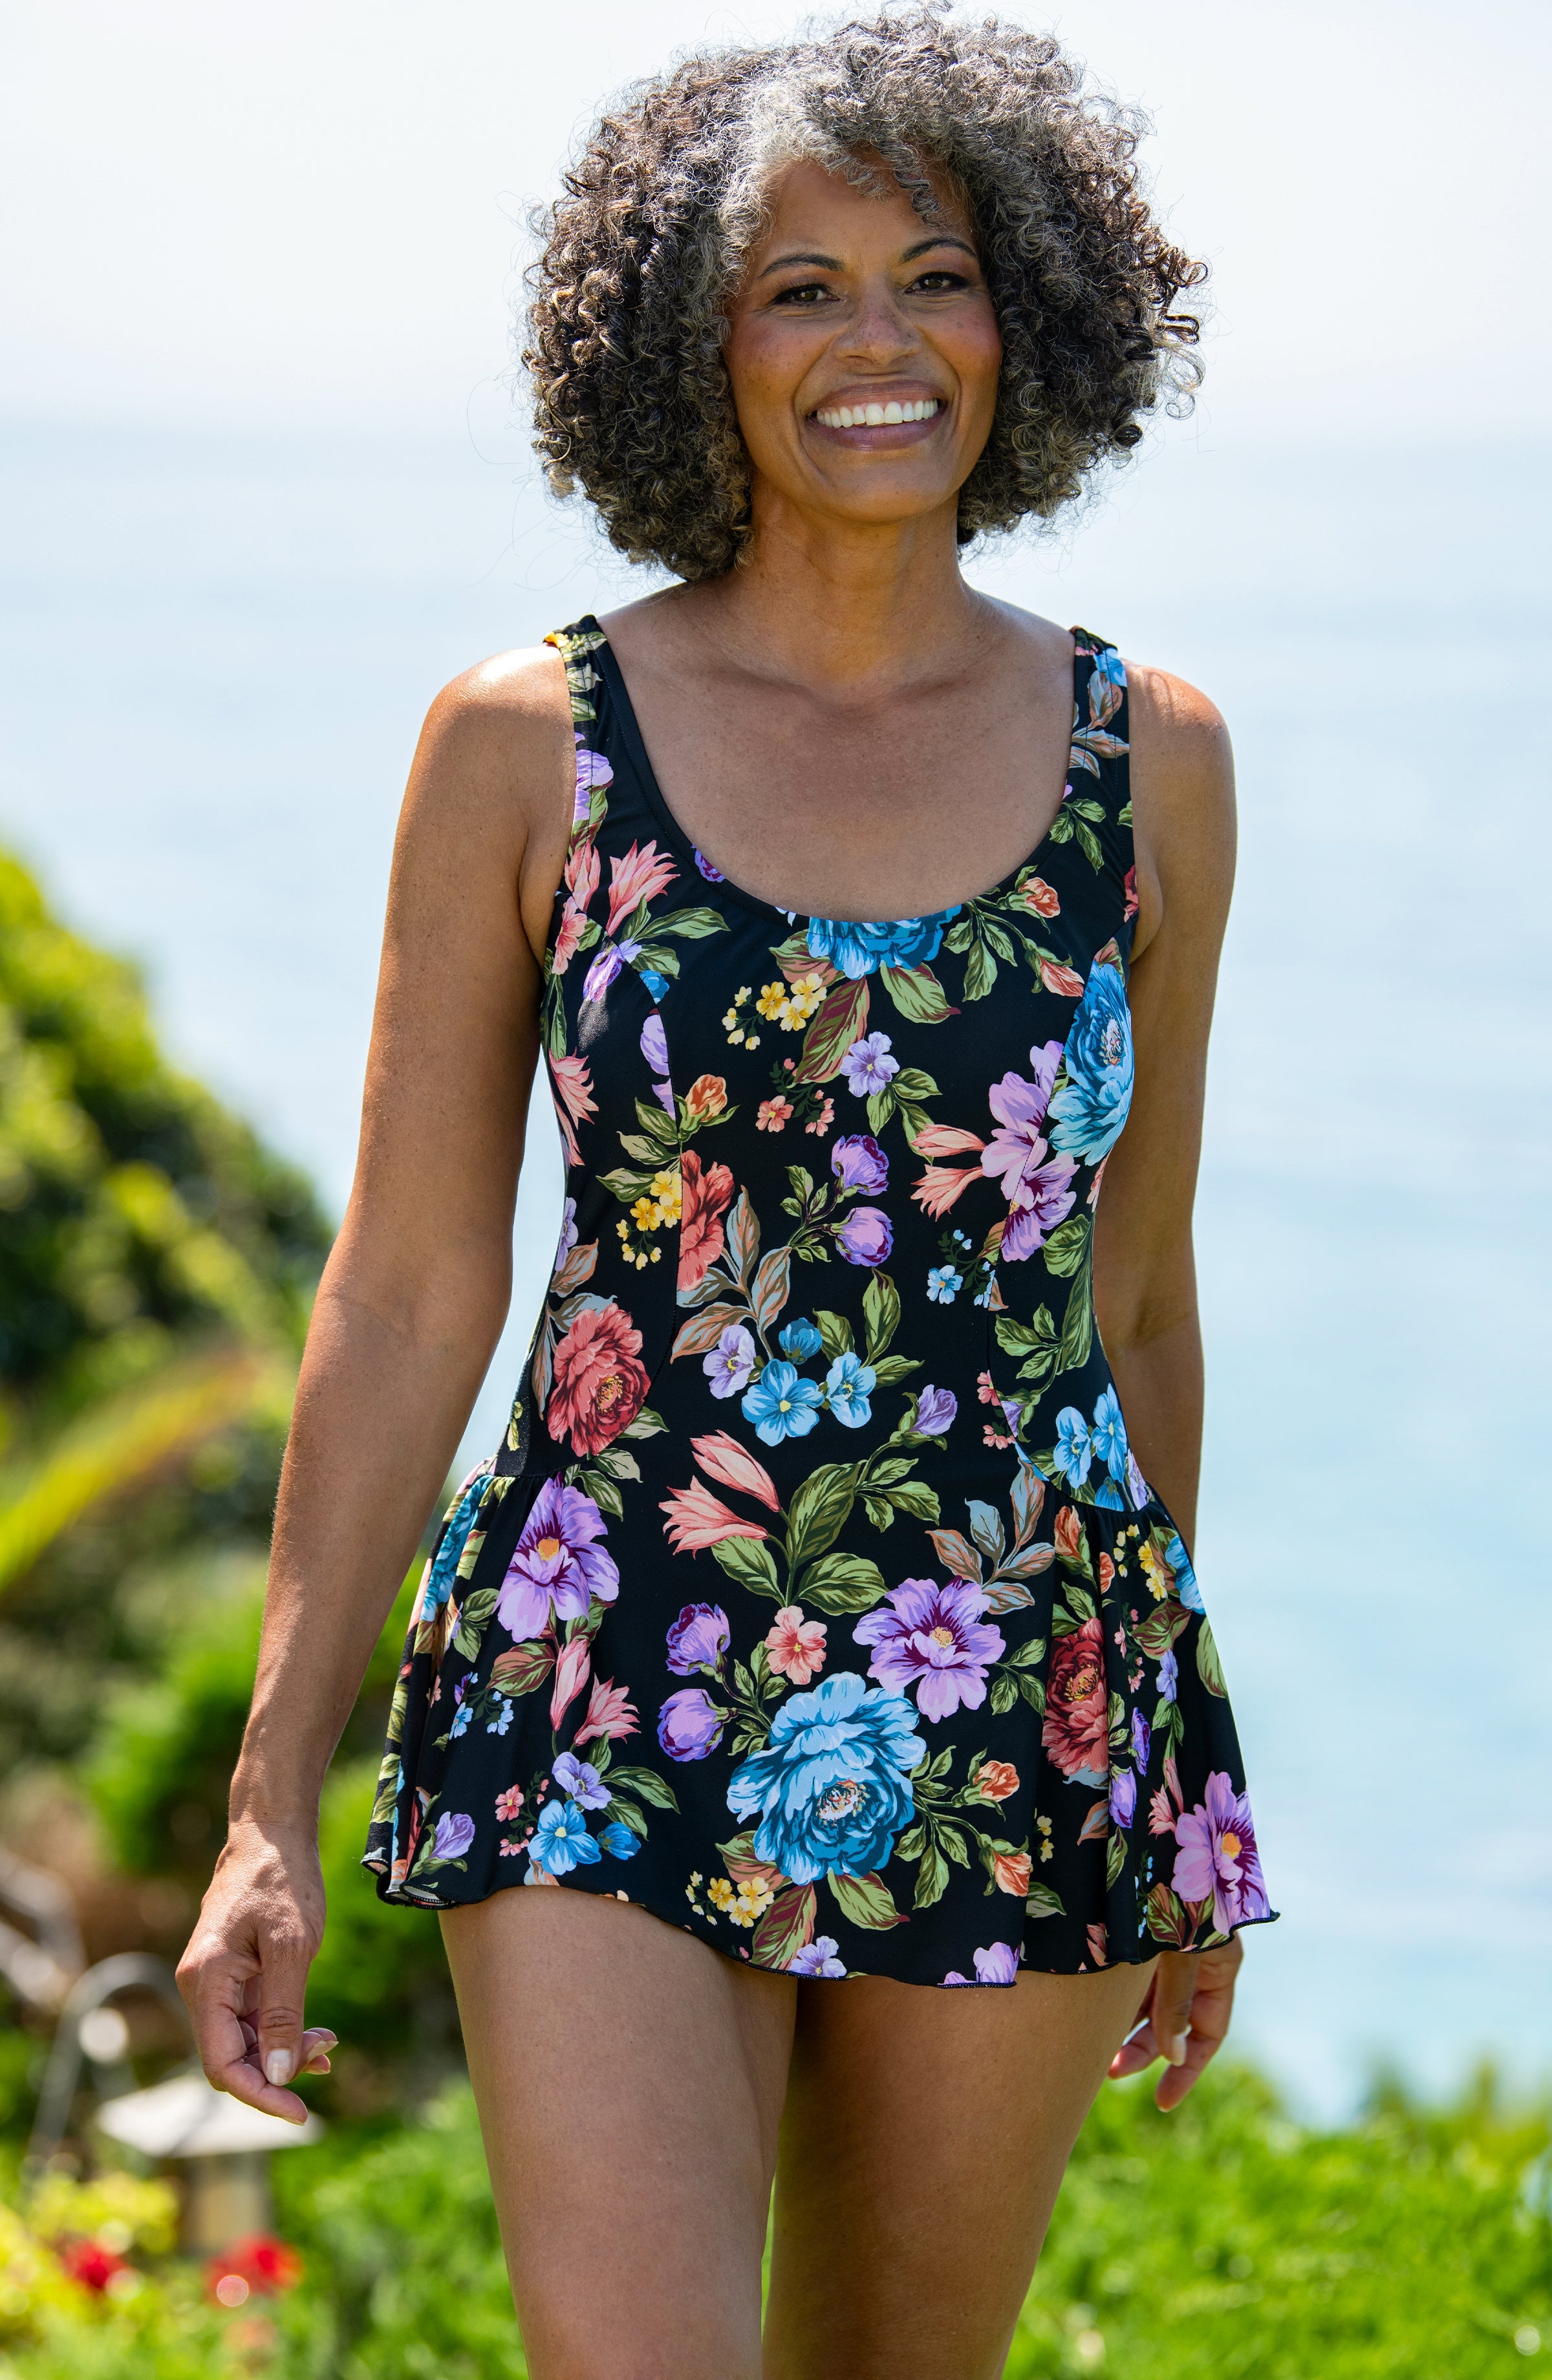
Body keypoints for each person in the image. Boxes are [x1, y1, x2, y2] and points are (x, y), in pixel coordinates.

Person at [178, 11, 1276, 2375]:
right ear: (694, 344)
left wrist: (1173, 1773)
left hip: (1017, 1677)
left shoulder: (1152, 763)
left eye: (937, 276)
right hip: (606, 1650)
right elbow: (407, 1290)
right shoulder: (528, 746)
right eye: (802, 290)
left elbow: (1140, 1306)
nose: (882, 343)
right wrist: (270, 1798)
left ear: (1029, 318)